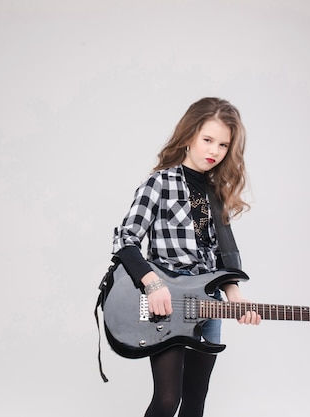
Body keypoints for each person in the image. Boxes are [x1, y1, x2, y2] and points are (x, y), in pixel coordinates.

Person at [112, 97, 262, 417]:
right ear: (189, 135)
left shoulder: (216, 192)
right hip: (169, 302)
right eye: (208, 140)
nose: (214, 151)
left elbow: (225, 254)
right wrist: (152, 284)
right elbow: (125, 240)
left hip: (210, 303)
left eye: (223, 145)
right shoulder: (160, 183)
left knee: (195, 402)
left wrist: (234, 294)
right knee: (168, 401)